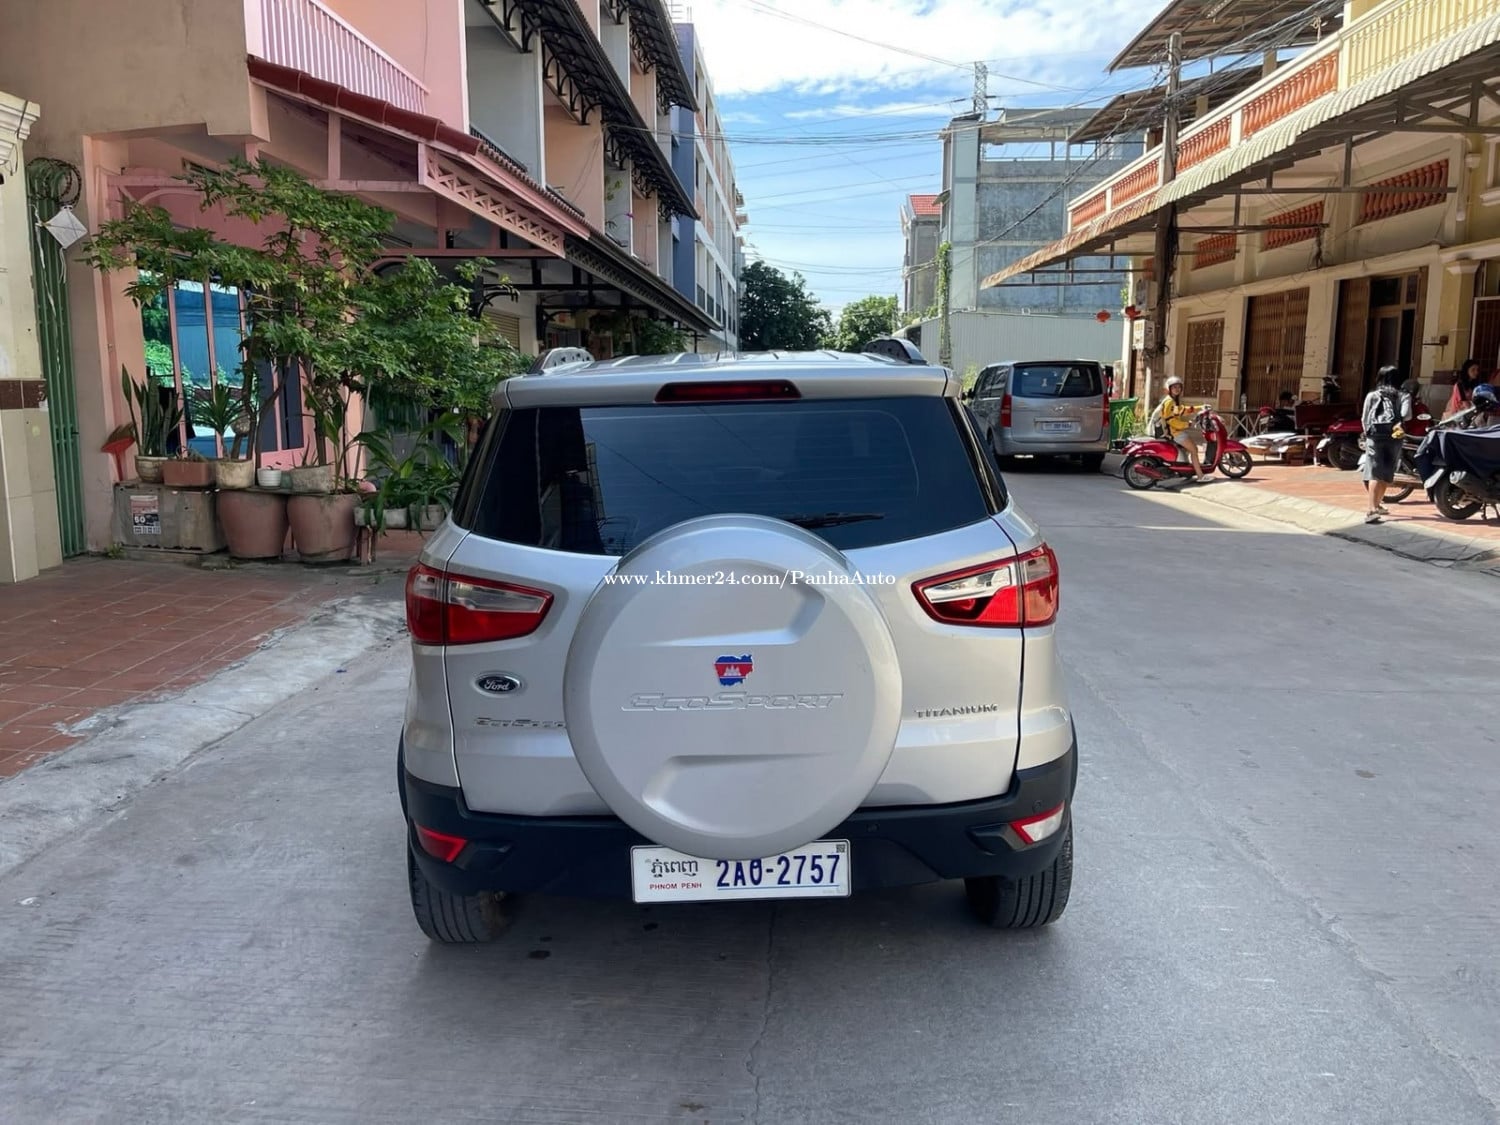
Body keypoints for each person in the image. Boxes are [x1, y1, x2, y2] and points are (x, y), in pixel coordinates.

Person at [1362, 365, 1412, 524]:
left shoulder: (1372, 395)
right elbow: (1407, 415)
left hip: (1375, 436)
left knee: (1374, 472)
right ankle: (1377, 505)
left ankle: (1372, 509)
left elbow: (1365, 418)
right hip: (1394, 436)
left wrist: (1367, 434)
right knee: (1387, 472)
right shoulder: (1403, 395)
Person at [1160, 375, 1209, 482]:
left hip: (1176, 431)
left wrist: (1200, 407)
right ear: (1169, 388)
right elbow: (1170, 420)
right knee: (1194, 450)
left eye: (1179, 387)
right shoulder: (1169, 402)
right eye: (1174, 387)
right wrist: (1187, 424)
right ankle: (1200, 476)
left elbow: (1182, 410)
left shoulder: (1173, 401)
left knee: (1189, 449)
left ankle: (1187, 471)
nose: (1177, 389)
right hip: (1174, 433)